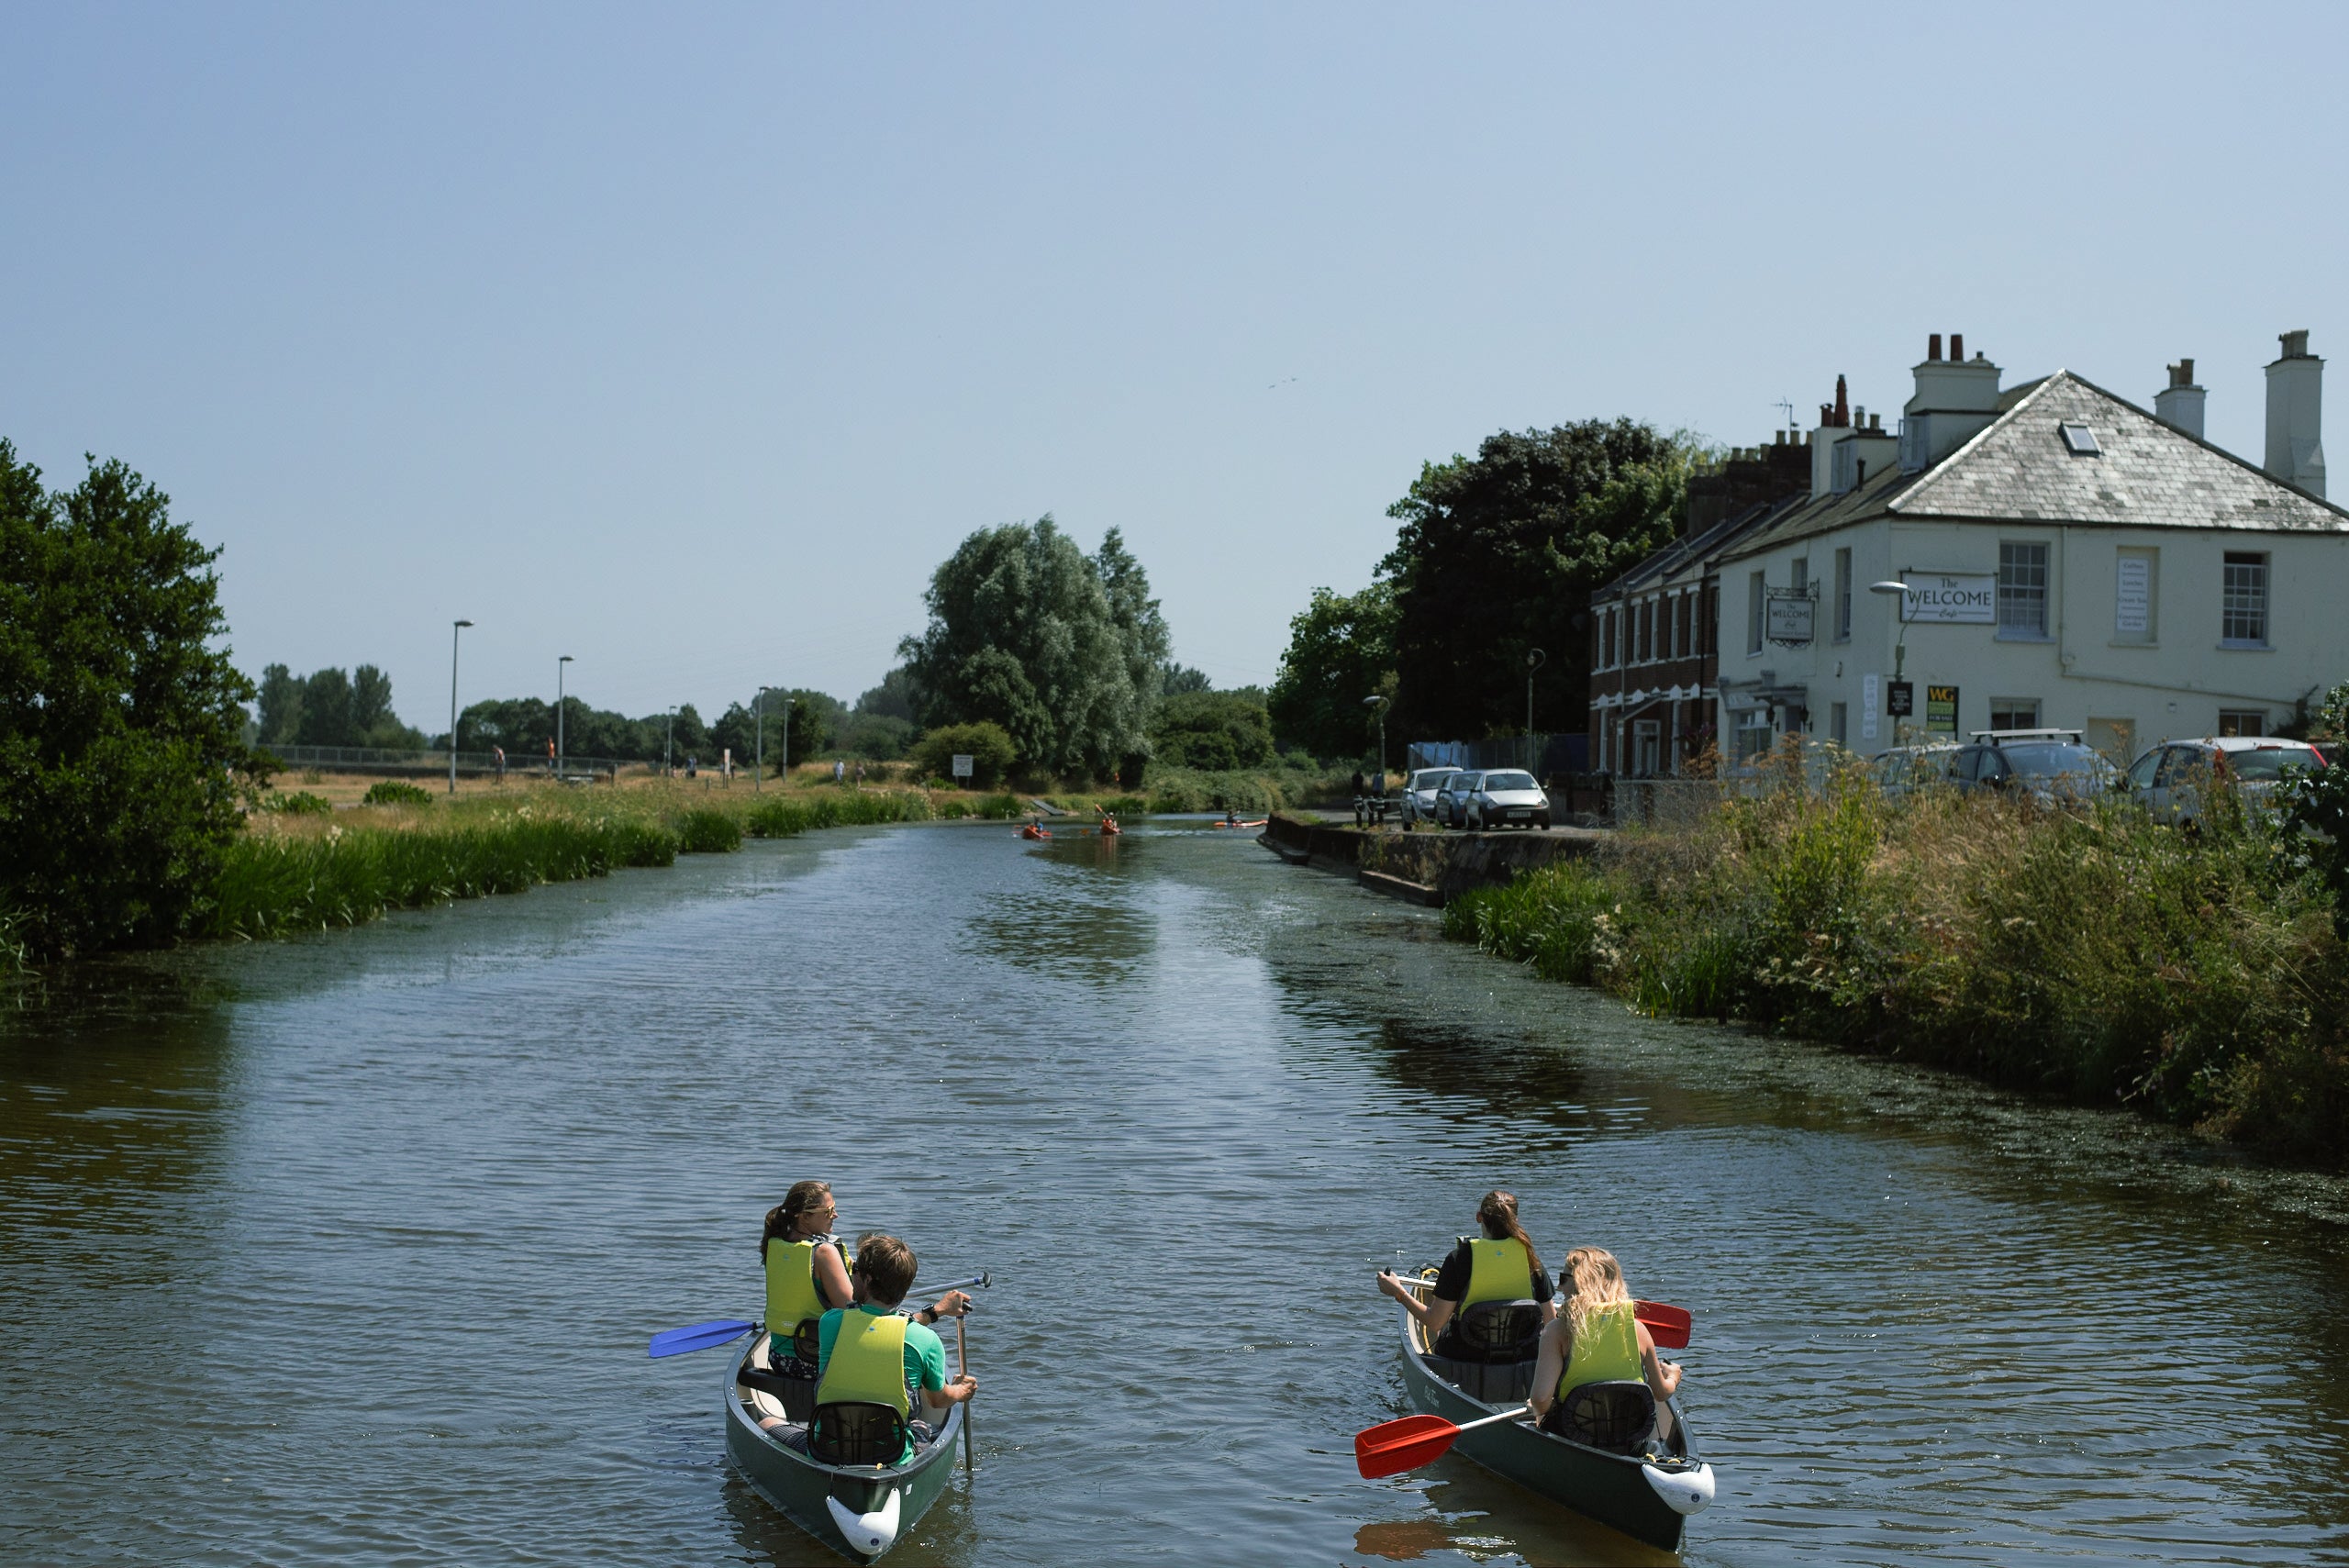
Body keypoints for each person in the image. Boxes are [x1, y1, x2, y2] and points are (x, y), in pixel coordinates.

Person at [792, 1233, 975, 1460]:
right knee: (924, 1427)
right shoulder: (926, 1340)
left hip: (829, 1447)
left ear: (868, 1280)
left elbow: (871, 1326)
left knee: (770, 1422)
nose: (852, 1273)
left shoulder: (830, 1323)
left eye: (856, 1268)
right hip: (891, 1454)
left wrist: (934, 1313)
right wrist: (961, 1391)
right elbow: (938, 1401)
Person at [1528, 1246, 1682, 1440]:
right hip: (1629, 1440)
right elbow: (1661, 1393)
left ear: (1579, 1283)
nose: (1559, 1287)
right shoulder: (1638, 1330)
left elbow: (1540, 1400)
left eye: (1563, 1279)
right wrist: (1673, 1376)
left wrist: (1538, 1405)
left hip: (1573, 1435)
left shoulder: (1556, 1330)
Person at [1375, 1190, 1555, 1356]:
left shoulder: (1460, 1258)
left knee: (1445, 1323)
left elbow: (1435, 1322)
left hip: (1466, 1356)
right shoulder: (1531, 1259)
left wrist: (1398, 1293)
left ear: (1479, 1217)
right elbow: (1551, 1323)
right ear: (1515, 1220)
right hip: (1521, 1355)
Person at [761, 1181, 855, 1370]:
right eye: (828, 1211)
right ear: (805, 1216)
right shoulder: (823, 1253)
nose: (835, 1215)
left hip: (777, 1355)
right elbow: (852, 1312)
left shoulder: (775, 1244)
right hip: (813, 1360)